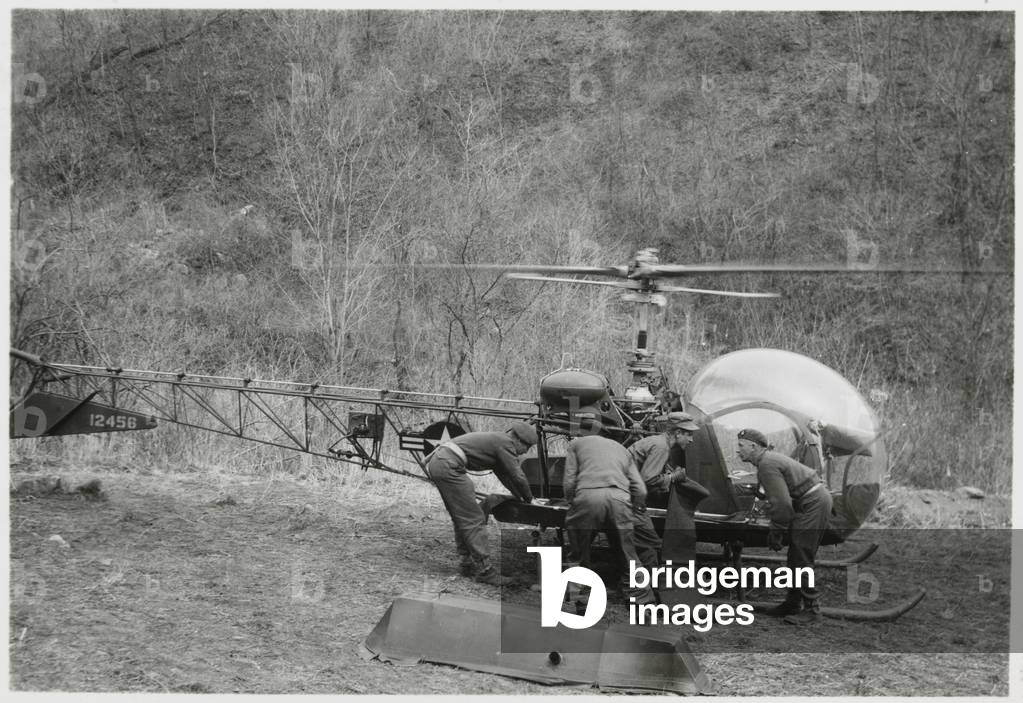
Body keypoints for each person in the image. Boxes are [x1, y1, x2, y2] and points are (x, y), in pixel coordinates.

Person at [736, 428, 833, 625]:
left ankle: (813, 610)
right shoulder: (767, 460)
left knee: (801, 556)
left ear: (753, 447)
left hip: (812, 503)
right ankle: (793, 603)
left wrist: (776, 533)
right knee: (795, 556)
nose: (738, 450)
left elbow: (783, 505)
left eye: (741, 446)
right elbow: (776, 493)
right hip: (811, 500)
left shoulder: (766, 464)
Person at [426, 422, 537, 586]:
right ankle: (486, 571)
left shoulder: (499, 442)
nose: (525, 451)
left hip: (442, 463)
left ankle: (466, 562)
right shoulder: (505, 443)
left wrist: (521, 497)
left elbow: (506, 476)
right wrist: (530, 499)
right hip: (449, 466)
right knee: (474, 518)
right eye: (527, 447)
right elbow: (517, 475)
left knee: (461, 516)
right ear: (518, 440)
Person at [562, 431, 656, 605]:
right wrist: (636, 506)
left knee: (579, 552)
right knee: (628, 553)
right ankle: (641, 601)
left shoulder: (576, 444)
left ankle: (579, 598)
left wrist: (571, 501)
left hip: (588, 497)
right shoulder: (622, 449)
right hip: (620, 499)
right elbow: (640, 489)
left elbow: (569, 480)